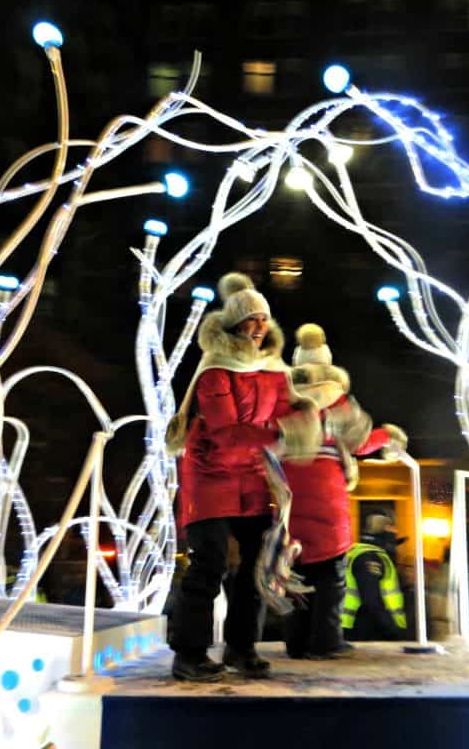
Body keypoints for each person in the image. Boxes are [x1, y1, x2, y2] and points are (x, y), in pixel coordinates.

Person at [165, 272, 322, 682]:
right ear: (234, 325)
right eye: (249, 319)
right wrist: (284, 432)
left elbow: (288, 404)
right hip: (210, 475)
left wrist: (312, 412)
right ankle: (190, 653)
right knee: (209, 563)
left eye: (262, 319)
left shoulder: (274, 368)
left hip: (253, 476)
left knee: (256, 565)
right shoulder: (215, 370)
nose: (257, 326)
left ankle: (241, 647)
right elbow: (225, 431)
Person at [281, 323, 407, 659]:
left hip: (289, 495)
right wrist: (388, 436)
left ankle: (297, 641)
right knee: (330, 574)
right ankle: (325, 641)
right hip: (326, 495)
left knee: (297, 573)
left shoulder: (284, 401)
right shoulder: (338, 404)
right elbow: (362, 442)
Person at [342, 511, 408, 641]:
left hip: (357, 627)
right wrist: (392, 629)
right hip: (367, 630)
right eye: (391, 529)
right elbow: (371, 601)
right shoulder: (370, 558)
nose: (394, 533)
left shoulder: (357, 552)